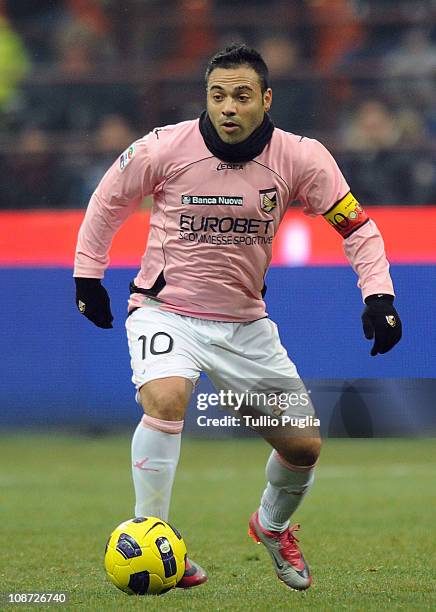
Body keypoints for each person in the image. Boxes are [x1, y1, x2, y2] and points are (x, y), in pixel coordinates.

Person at [73, 44, 402, 592]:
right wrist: (88, 275)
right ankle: (156, 536)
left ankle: (271, 527)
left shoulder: (302, 158)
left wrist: (379, 296)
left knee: (303, 448)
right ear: (206, 97)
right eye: (218, 95)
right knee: (166, 398)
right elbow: (108, 201)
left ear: (265, 100)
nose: (228, 107)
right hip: (165, 310)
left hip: (245, 325)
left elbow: (357, 228)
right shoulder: (163, 147)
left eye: (242, 96)